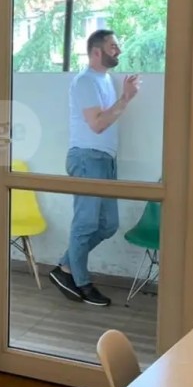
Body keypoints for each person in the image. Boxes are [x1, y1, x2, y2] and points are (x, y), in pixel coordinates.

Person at [50, 29, 139, 307]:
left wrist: (123, 97)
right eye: (113, 46)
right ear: (96, 51)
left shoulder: (107, 80)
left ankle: (65, 267)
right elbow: (97, 125)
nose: (118, 50)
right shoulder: (85, 81)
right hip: (87, 158)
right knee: (86, 224)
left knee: (108, 224)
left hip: (105, 160)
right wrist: (125, 99)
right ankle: (81, 282)